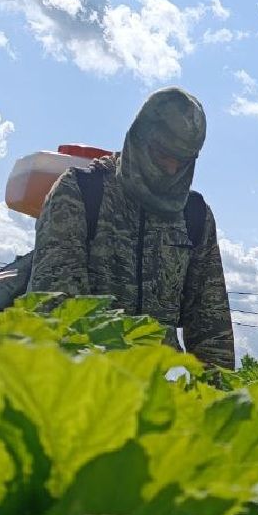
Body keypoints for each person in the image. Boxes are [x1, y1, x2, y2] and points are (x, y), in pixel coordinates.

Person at [27, 87, 235, 370]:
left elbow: (211, 326)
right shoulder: (80, 192)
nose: (172, 168)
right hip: (83, 385)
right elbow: (55, 308)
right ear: (140, 135)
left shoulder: (195, 216)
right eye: (163, 153)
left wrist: (217, 404)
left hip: (157, 392)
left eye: (184, 160)